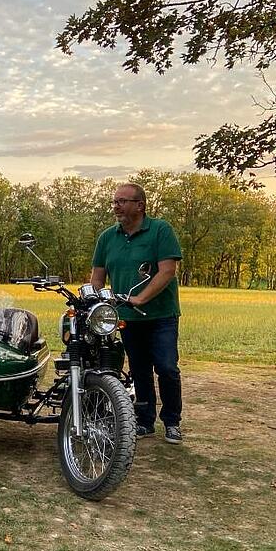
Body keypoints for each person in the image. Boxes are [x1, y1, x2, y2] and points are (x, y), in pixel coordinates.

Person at [90, 183, 184, 443]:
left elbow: (167, 270)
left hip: (161, 315)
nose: (116, 206)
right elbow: (98, 276)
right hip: (126, 318)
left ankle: (172, 421)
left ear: (140, 205)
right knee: (140, 370)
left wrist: (140, 298)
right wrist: (97, 300)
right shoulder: (107, 237)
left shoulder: (160, 230)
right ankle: (144, 422)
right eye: (115, 202)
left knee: (166, 368)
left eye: (122, 201)